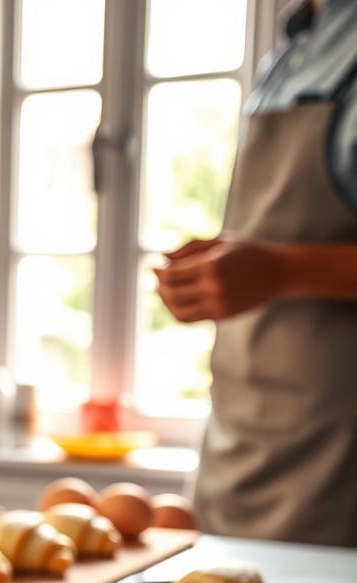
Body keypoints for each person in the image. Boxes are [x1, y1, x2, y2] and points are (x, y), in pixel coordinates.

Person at [155, 0, 357, 547]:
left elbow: (278, 263)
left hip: (335, 475)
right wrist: (233, 269)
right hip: (237, 450)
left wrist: (280, 270)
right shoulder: (292, 47)